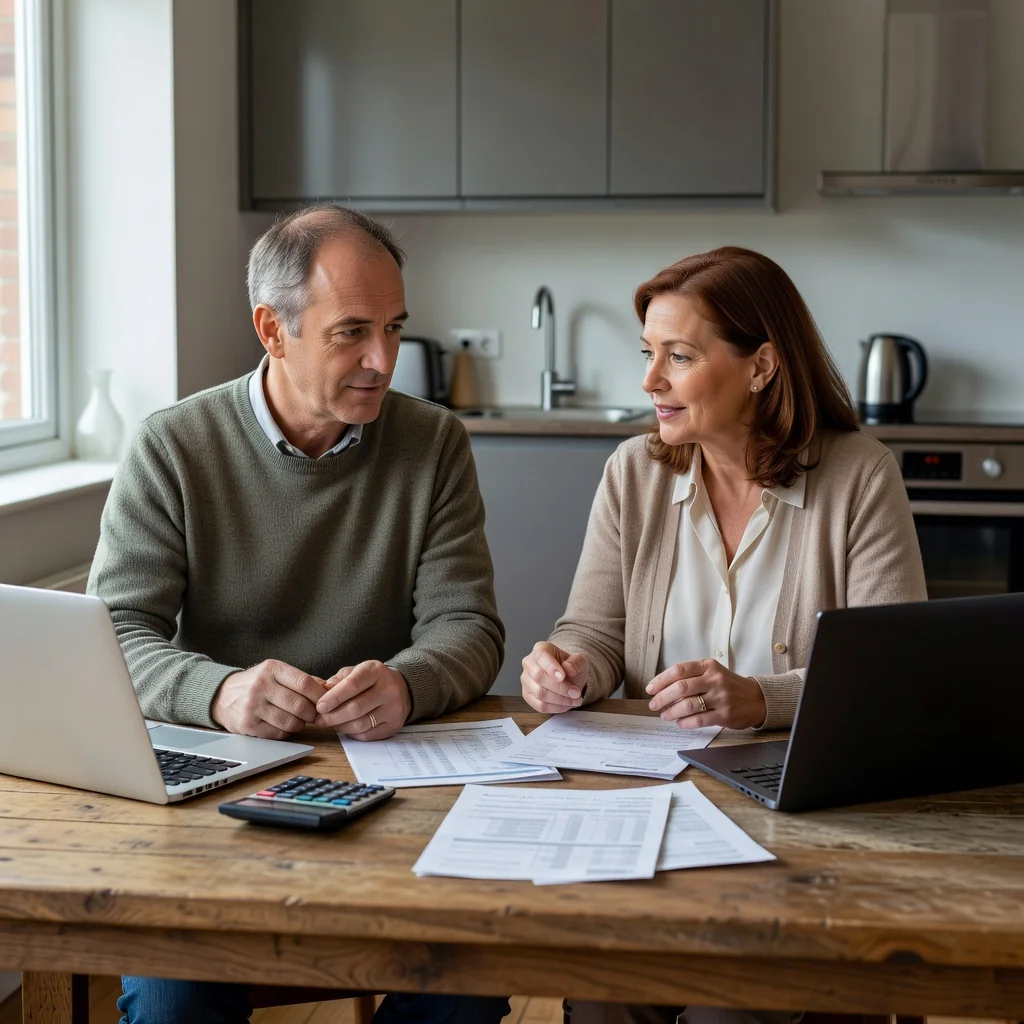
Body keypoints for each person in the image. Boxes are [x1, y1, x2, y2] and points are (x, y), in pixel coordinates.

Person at [88, 204, 509, 1024]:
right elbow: (113, 638)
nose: (383, 361)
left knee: (466, 986)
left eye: (394, 328)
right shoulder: (172, 446)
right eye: (352, 332)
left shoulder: (434, 444)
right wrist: (219, 693)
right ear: (272, 330)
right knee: (173, 1004)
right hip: (217, 797)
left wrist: (408, 682)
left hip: (392, 787)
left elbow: (471, 629)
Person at [520, 246, 927, 1024]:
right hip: (652, 810)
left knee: (730, 1008)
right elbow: (594, 631)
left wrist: (755, 700)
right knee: (603, 1000)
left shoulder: (859, 476)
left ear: (762, 366)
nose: (651, 381)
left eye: (679, 356)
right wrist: (569, 667)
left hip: (803, 819)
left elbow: (889, 682)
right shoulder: (633, 474)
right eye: (649, 355)